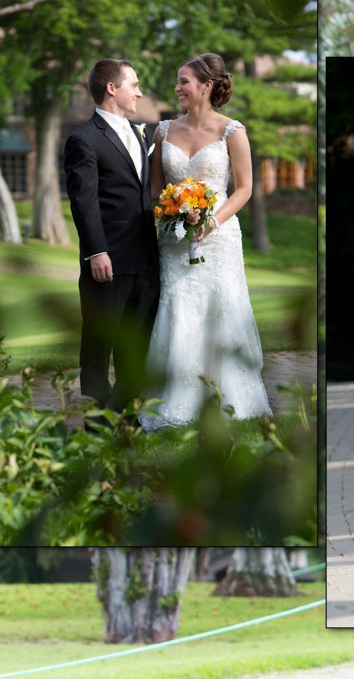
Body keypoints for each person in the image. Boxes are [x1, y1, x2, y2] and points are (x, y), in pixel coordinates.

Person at [141, 53, 272, 430]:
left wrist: (211, 220)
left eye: (184, 81)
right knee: (179, 306)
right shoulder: (163, 130)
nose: (177, 88)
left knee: (220, 308)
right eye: (178, 82)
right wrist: (171, 210)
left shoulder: (233, 131)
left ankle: (228, 396)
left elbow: (244, 189)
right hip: (174, 239)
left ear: (207, 86)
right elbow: (153, 189)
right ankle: (177, 397)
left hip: (219, 237)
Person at [64, 58, 160, 418]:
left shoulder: (143, 133)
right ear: (111, 89)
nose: (139, 92)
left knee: (136, 353)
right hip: (107, 265)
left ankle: (125, 423)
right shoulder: (83, 140)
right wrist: (96, 253)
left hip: (148, 264)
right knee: (97, 353)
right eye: (133, 85)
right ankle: (97, 434)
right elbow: (83, 202)